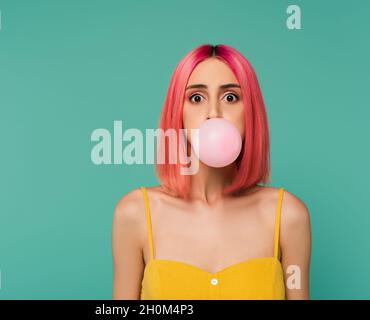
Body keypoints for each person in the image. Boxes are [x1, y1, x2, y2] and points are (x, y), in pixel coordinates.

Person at [112, 44, 311, 300]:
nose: (214, 114)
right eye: (196, 98)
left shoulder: (288, 216)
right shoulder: (135, 214)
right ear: (178, 113)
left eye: (230, 97)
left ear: (250, 112)